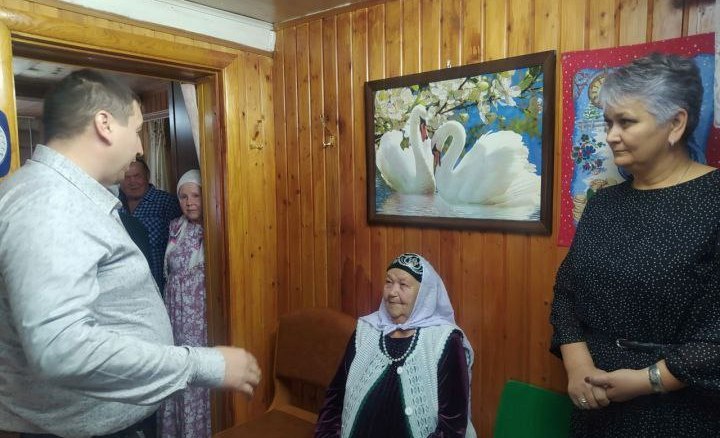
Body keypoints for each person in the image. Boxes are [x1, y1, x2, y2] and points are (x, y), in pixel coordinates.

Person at [0, 69, 260, 438]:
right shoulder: (51, 203)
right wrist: (205, 365)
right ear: (104, 124)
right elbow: (61, 349)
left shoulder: (64, 196)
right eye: (136, 129)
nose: (139, 147)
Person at [550, 53, 720, 437]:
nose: (611, 135)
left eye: (626, 122)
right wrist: (577, 366)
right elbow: (566, 292)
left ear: (675, 123)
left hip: (682, 410)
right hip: (595, 402)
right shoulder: (604, 203)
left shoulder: (714, 200)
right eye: (608, 122)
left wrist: (649, 380)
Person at [315, 253, 476, 438]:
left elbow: (452, 426)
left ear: (424, 293)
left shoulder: (444, 340)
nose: (392, 292)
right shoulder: (366, 330)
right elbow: (335, 397)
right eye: (388, 282)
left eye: (403, 285)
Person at [159, 169, 210, 438]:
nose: (189, 203)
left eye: (196, 195)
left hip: (201, 317)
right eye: (183, 197)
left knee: (198, 373)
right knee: (176, 369)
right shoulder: (175, 227)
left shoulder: (215, 228)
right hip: (174, 315)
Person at [120, 158, 182, 293]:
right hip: (125, 287)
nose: (132, 182)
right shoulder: (114, 206)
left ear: (147, 176)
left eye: (137, 176)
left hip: (158, 286)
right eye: (126, 177)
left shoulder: (167, 202)